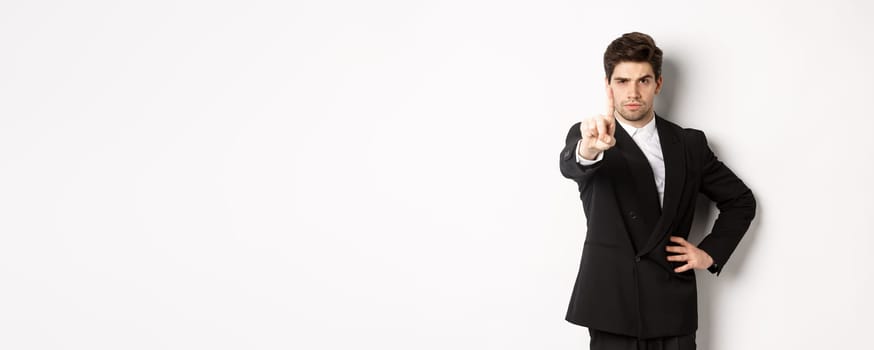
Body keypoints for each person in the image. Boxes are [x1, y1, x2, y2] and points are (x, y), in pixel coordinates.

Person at [559, 32, 756, 350]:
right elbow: (573, 164)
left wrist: (709, 253)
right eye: (622, 81)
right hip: (612, 305)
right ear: (608, 85)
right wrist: (590, 148)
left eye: (643, 81)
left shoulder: (689, 144)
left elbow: (740, 201)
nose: (633, 92)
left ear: (658, 84)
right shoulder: (590, 136)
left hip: (671, 304)